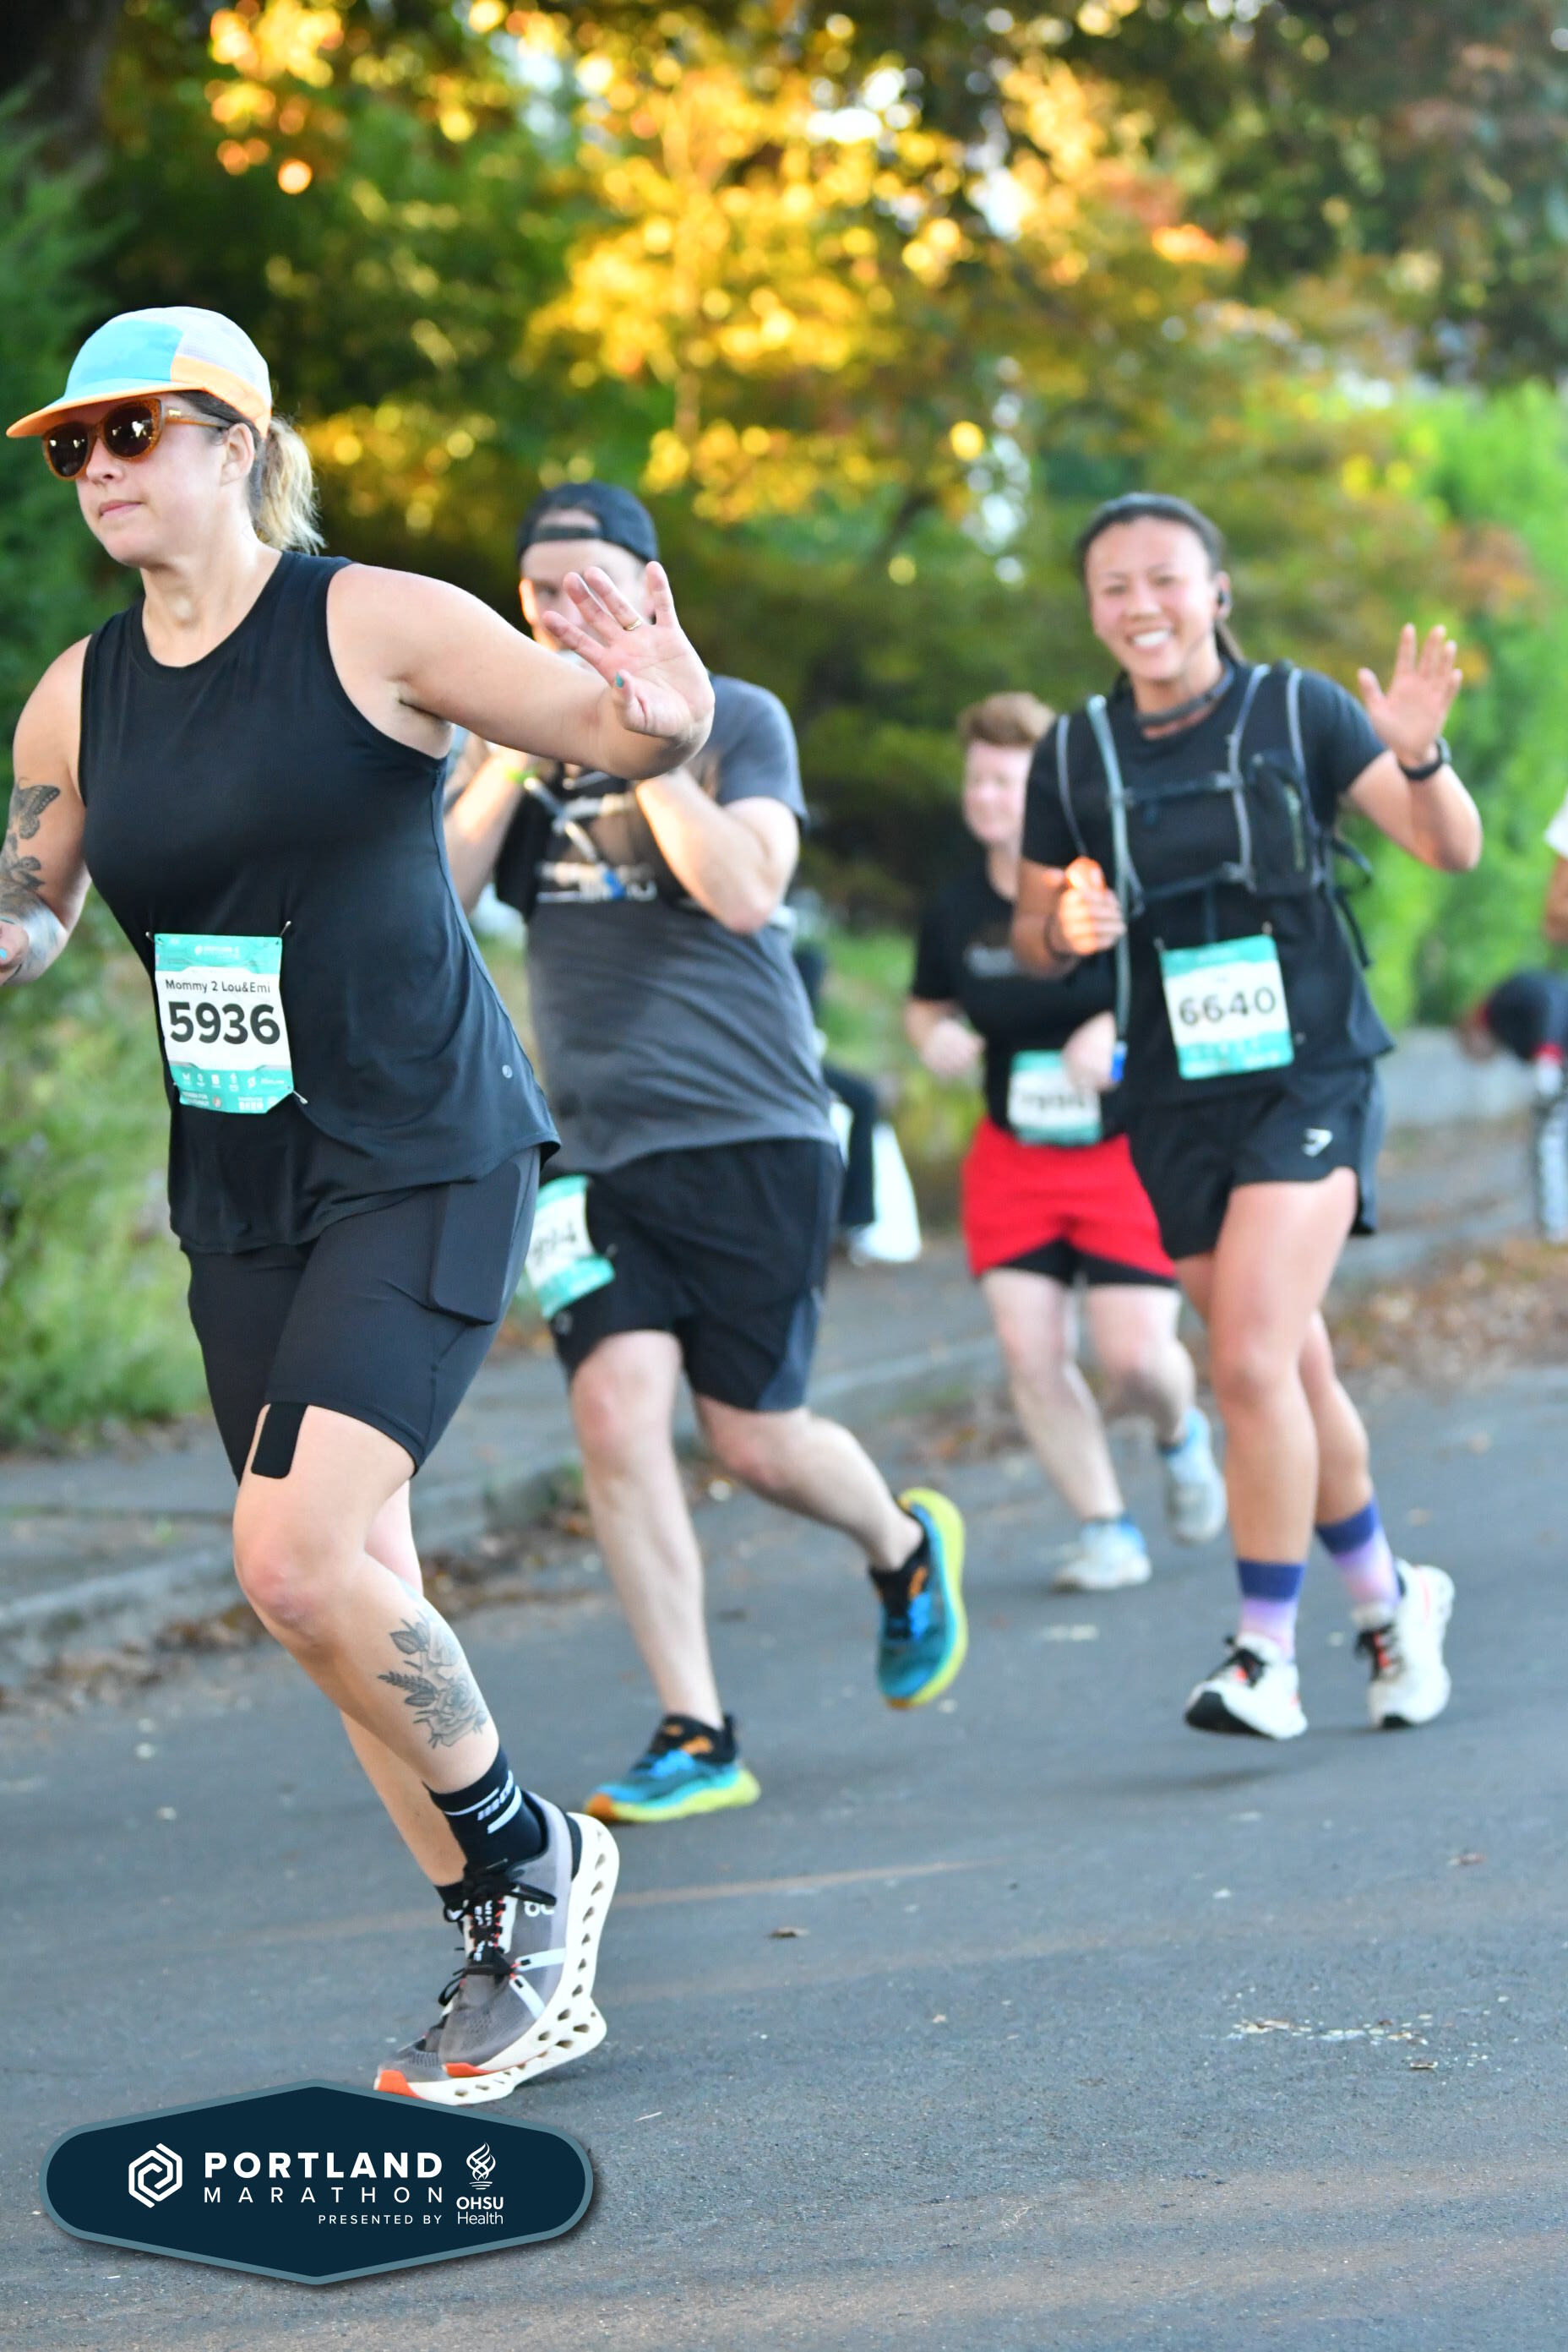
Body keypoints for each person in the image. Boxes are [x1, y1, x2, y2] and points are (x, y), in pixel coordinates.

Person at [2, 306, 717, 2099]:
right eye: (74, 446)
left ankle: (532, 1854)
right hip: (243, 1180)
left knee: (290, 1554)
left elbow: (610, 730)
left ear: (238, 443)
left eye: (135, 431)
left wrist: (670, 703)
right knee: (347, 1591)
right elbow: (31, 907)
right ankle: (504, 1949)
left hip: (424, 1147)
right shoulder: (78, 693)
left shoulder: (373, 622)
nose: (99, 468)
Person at [444, 481, 966, 1823]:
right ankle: (696, 1731)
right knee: (613, 1416)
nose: (562, 610)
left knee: (755, 1440)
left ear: (648, 586)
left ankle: (902, 1545)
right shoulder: (513, 737)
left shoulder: (737, 719)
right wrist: (506, 755)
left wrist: (647, 734)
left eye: (590, 584)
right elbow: (434, 910)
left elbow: (746, 890)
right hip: (591, 1152)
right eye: (541, 591)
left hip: (753, 1130)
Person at [1012, 493, 1482, 1739]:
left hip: (1310, 1073)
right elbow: (1031, 930)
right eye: (1114, 586)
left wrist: (1419, 757)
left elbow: (1449, 849)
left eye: (1165, 578)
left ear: (1215, 593)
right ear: (1092, 611)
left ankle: (1264, 1653)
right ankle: (1391, 1602)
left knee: (1250, 1361)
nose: (1142, 605)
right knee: (1291, 1368)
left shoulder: (1298, 710)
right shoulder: (1074, 754)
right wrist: (1064, 924)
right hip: (1173, 1095)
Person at [907, 691, 1227, 1589]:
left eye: (1006, 782)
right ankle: (1104, 1527)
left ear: (1047, 790)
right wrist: (933, 1035)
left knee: (1135, 1359)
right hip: (1013, 1157)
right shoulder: (956, 905)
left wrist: (1114, 1035)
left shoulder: (1102, 887)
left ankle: (1179, 1432)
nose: (986, 798)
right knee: (1030, 1352)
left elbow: (1177, 988)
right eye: (977, 780)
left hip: (1123, 1152)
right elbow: (926, 1002)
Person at [1458, 971, 1568, 1242]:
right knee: (1551, 1138)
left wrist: (1547, 1052)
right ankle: (1554, 1222)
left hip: (1556, 1055)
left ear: (1472, 1031)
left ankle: (1554, 1225)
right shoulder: (1505, 1028)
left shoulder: (1500, 1003)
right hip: (1559, 1062)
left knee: (1549, 1138)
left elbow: (1550, 999)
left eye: (1471, 1050)